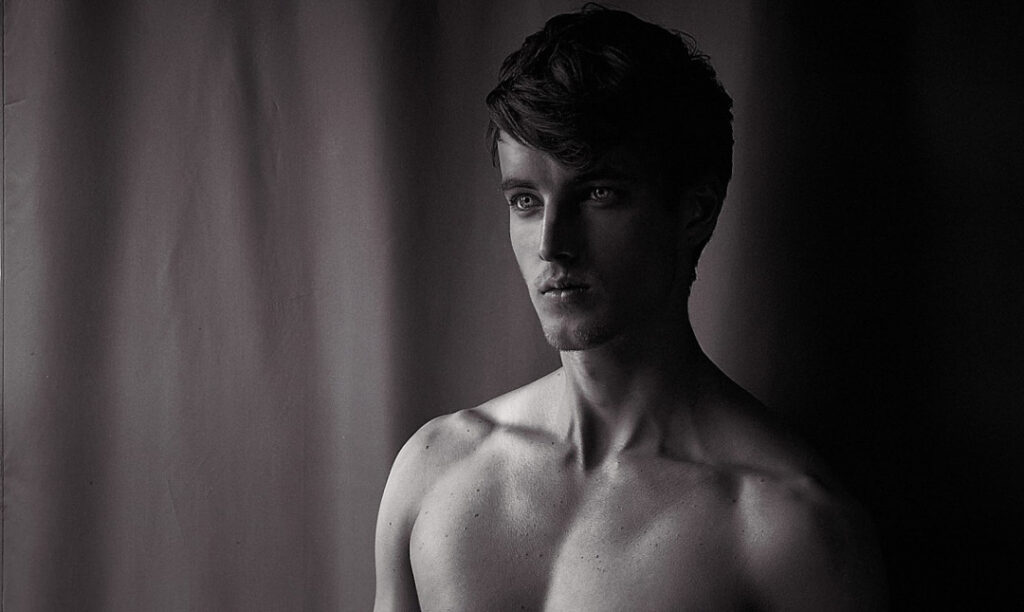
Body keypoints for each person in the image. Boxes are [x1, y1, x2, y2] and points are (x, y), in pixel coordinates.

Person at [374, 6, 886, 610]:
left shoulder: (787, 530)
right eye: (526, 200)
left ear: (694, 211)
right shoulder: (435, 468)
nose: (552, 244)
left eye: (598, 194)